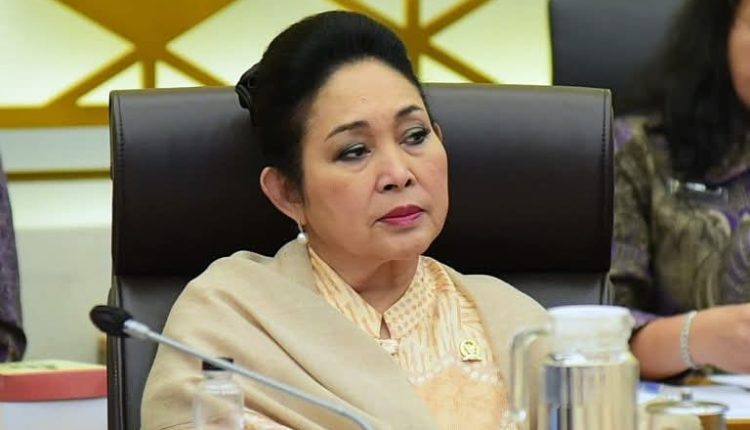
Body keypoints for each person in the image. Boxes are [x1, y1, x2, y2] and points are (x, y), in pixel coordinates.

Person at [141, 11, 546, 430]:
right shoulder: (226, 324)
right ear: (288, 193)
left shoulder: (514, 323)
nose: (398, 174)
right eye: (354, 151)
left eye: (415, 136)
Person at [611, 0, 750, 379]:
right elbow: (599, 331)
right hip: (687, 401)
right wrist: (698, 337)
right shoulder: (639, 150)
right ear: (719, 32)